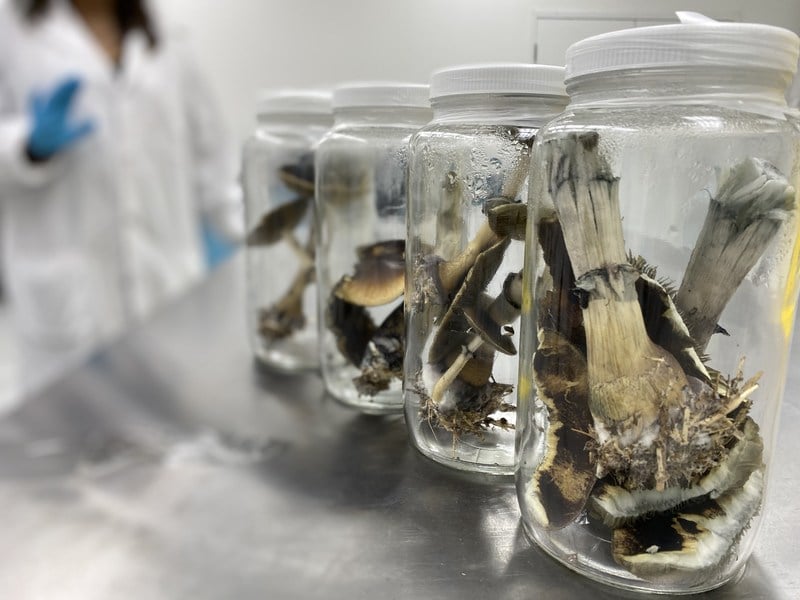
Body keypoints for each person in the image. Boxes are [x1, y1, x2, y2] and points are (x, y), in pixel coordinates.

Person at [0, 0, 243, 393]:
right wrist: (26, 145)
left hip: (167, 286)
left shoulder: (167, 35)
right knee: (72, 422)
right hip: (67, 313)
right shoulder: (11, 30)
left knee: (172, 414)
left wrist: (266, 238)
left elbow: (213, 163)